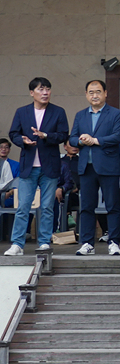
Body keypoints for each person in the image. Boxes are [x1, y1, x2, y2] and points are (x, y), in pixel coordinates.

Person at [3, 77, 70, 256]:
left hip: (49, 166)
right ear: (32, 92)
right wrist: (22, 140)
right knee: (23, 207)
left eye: (48, 89)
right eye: (41, 89)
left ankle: (44, 242)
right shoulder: (22, 112)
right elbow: (13, 133)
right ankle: (17, 244)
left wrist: (46, 135)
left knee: (47, 207)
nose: (45, 92)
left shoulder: (58, 111)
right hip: (28, 166)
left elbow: (64, 135)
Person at [69, 79, 120, 257]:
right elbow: (72, 138)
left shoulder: (116, 114)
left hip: (108, 166)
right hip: (86, 167)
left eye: (98, 91)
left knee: (113, 206)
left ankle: (114, 242)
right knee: (86, 207)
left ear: (106, 93)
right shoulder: (80, 115)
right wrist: (80, 141)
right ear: (86, 95)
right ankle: (87, 243)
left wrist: (95, 141)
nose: (95, 95)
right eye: (91, 92)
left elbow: (118, 137)